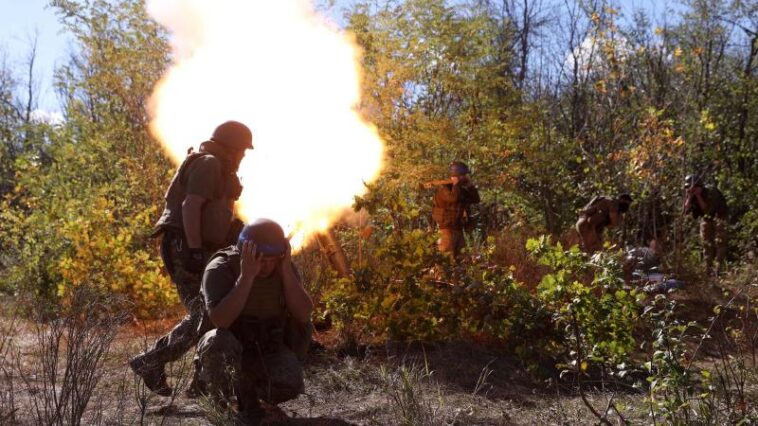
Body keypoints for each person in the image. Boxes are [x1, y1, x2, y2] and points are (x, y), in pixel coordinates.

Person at [130, 121, 253, 396]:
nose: (243, 156)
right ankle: (154, 363)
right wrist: (196, 250)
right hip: (186, 248)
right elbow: (190, 206)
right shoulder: (209, 164)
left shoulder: (219, 167)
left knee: (209, 313)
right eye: (242, 150)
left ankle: (197, 382)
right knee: (206, 313)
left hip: (199, 248)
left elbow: (213, 212)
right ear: (231, 147)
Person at [197, 219, 313, 421]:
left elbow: (303, 314)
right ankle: (219, 402)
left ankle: (248, 394)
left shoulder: (284, 268)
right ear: (245, 252)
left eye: (272, 259)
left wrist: (286, 271)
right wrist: (246, 277)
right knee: (217, 340)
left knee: (290, 383)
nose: (266, 266)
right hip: (229, 351)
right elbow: (220, 321)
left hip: (265, 351)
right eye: (260, 259)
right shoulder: (221, 268)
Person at [430, 161, 481, 258]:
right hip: (446, 230)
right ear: (457, 175)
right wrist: (456, 184)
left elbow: (476, 199)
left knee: (461, 259)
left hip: (458, 229)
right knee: (446, 259)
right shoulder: (444, 188)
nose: (465, 177)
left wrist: (470, 187)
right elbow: (453, 198)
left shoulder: (460, 189)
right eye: (463, 175)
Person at [682, 174, 728, 273]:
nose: (691, 189)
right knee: (706, 243)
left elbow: (707, 210)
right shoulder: (691, 195)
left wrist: (698, 196)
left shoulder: (711, 191)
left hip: (718, 216)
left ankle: (719, 268)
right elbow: (685, 212)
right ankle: (708, 268)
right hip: (706, 218)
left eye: (694, 187)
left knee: (720, 242)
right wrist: (689, 197)